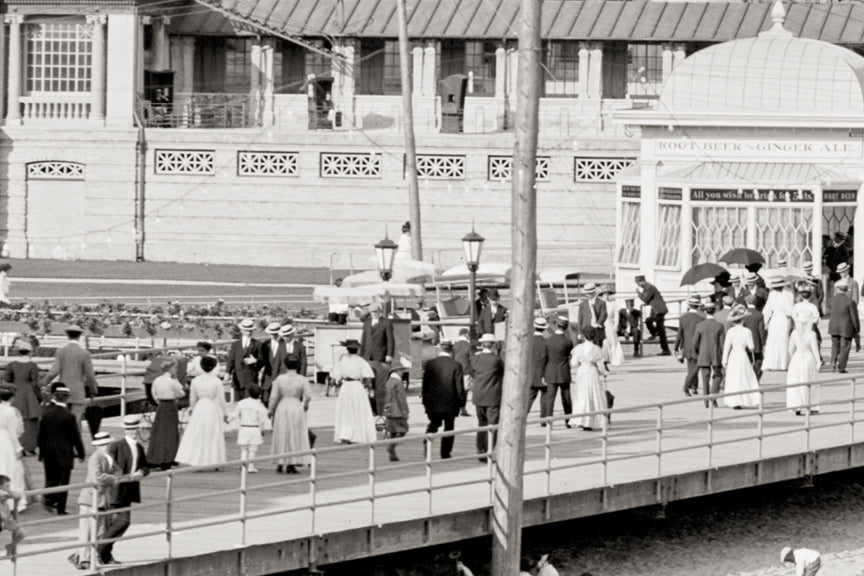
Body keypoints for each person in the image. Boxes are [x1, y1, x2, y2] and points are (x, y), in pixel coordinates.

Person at [99, 415, 148, 566]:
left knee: (120, 523)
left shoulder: (139, 447)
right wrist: (122, 477)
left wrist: (141, 472)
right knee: (122, 522)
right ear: (125, 430)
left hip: (129, 490)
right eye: (130, 429)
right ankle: (99, 549)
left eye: (135, 429)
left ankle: (104, 553)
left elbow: (145, 466)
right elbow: (109, 466)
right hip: (116, 489)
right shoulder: (116, 446)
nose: (133, 431)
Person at [69, 431, 118, 570]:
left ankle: (81, 556)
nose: (106, 446)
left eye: (107, 444)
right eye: (104, 444)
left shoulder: (109, 457)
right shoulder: (95, 458)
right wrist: (113, 478)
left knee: (99, 530)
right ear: (99, 445)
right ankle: (83, 559)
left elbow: (117, 470)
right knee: (87, 531)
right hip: (90, 499)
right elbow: (96, 477)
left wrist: (117, 476)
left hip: (102, 499)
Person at [37, 383, 84, 515]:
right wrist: (81, 452)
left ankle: (49, 499)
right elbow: (75, 437)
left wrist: (41, 452)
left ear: (55, 397)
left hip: (48, 451)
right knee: (64, 481)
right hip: (65, 452)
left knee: (51, 477)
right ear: (67, 398)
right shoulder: (69, 416)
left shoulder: (46, 413)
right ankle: (61, 507)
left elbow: (41, 435)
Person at [175, 356, 227, 467]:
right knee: (212, 433)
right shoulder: (217, 381)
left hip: (200, 406)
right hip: (211, 407)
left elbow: (192, 398)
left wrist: (192, 407)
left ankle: (196, 459)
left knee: (197, 432)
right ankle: (213, 459)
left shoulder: (195, 380)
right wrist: (225, 412)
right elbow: (222, 399)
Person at [41, 325, 98, 422]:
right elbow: (90, 375)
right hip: (78, 391)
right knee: (75, 421)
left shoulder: (61, 351)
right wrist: (94, 390)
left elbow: (54, 371)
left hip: (62, 391)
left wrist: (43, 383)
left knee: (61, 420)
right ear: (79, 336)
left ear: (67, 336)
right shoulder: (84, 353)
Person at [421, 340, 464, 460]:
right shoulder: (456, 365)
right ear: (451, 350)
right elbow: (459, 386)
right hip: (450, 402)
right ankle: (445, 453)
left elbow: (425, 384)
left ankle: (427, 441)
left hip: (433, 402)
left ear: (439, 349)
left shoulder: (430, 364)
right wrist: (462, 403)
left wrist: (424, 400)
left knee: (434, 423)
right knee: (449, 427)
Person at [269, 355, 312, 473]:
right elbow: (308, 395)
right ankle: (291, 463)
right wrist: (306, 405)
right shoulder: (302, 379)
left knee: (282, 432)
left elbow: (273, 397)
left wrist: (270, 410)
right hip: (296, 405)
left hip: (283, 405)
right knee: (295, 433)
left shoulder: (279, 379)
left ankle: (280, 461)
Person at [331, 339, 377, 445]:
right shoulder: (361, 361)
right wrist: (369, 388)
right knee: (358, 409)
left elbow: (336, 377)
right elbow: (368, 377)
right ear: (357, 350)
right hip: (357, 387)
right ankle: (357, 434)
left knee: (346, 412)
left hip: (346, 387)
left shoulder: (342, 361)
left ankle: (345, 435)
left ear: (347, 350)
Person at [146, 359, 186, 470]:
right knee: (171, 432)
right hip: (170, 406)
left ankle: (156, 457)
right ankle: (168, 457)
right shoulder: (172, 382)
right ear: (170, 369)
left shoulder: (157, 380)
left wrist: (159, 401)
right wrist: (177, 380)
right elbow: (181, 393)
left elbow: (154, 394)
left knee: (159, 431)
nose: (176, 369)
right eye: (175, 368)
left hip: (161, 406)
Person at [4, 339, 41, 453]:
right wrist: (39, 396)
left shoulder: (12, 365)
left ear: (18, 352)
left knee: (15, 420)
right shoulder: (32, 365)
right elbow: (35, 383)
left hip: (16, 393)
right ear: (29, 352)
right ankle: (29, 446)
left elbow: (6, 380)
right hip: (29, 394)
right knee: (30, 422)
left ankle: (16, 444)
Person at [721, 306, 760, 409]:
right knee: (744, 377)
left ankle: (734, 400)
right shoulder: (747, 331)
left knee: (733, 377)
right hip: (742, 354)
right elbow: (751, 346)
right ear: (743, 319)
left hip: (733, 354)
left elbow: (726, 347)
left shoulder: (730, 331)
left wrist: (724, 359)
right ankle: (744, 399)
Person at [570, 327, 608, 431]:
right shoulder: (596, 349)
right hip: (592, 372)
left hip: (582, 372)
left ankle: (581, 419)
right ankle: (593, 420)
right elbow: (601, 367)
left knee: (581, 395)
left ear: (583, 335)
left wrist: (579, 363)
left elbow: (573, 364)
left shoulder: (578, 348)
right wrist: (604, 373)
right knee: (593, 395)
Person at [472, 334, 503, 460]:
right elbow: (503, 372)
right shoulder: (496, 360)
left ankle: (480, 449)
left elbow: (473, 373)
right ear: (493, 345)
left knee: (481, 423)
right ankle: (489, 450)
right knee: (493, 425)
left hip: (478, 395)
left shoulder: (475, 359)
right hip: (492, 396)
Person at [787, 308, 822, 416]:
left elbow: (789, 349)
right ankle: (811, 405)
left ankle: (796, 405)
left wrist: (793, 358)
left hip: (797, 358)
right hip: (808, 357)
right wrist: (818, 361)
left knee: (796, 381)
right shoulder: (811, 334)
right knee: (810, 381)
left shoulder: (794, 333)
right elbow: (815, 349)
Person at [229, 386, 269, 474]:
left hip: (244, 427)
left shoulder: (242, 403)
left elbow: (235, 414)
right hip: (254, 428)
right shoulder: (259, 406)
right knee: (253, 449)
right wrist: (263, 429)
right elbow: (261, 419)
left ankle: (243, 465)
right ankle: (251, 466)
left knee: (243, 448)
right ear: (259, 395)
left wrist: (228, 420)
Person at [543, 316, 573, 427]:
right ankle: (568, 420)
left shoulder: (548, 341)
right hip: (564, 372)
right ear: (566, 327)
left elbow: (545, 357)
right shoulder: (568, 341)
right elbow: (569, 355)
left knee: (550, 398)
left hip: (550, 371)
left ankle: (548, 421)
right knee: (566, 398)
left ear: (556, 325)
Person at [693, 302, 724, 407]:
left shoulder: (700, 325)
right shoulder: (719, 326)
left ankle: (706, 400)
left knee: (705, 377)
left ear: (705, 311)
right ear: (715, 311)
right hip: (716, 354)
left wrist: (698, 352)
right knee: (718, 375)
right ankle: (713, 394)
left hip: (703, 354)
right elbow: (722, 343)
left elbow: (695, 343)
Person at [0, 387, 25, 511]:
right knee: (12, 468)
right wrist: (18, 448)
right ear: (12, 398)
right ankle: (13, 501)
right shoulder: (12, 411)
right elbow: (13, 432)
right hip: (7, 442)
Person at [675, 296, 704, 396]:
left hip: (686, 346)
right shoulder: (701, 318)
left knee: (690, 367)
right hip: (698, 346)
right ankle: (688, 386)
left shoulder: (683, 318)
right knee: (695, 367)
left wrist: (676, 347)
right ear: (698, 306)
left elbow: (679, 334)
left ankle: (693, 386)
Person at [225, 318, 260, 401]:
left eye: (250, 330)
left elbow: (262, 360)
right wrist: (227, 372)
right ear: (242, 331)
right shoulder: (235, 345)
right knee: (237, 402)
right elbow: (231, 360)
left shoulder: (257, 344)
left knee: (249, 403)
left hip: (250, 378)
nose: (249, 332)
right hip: (238, 378)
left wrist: (256, 361)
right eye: (246, 330)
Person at [762, 278, 794, 371]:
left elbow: (767, 309)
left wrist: (766, 321)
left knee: (772, 341)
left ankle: (771, 363)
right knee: (783, 340)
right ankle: (783, 364)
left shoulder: (772, 295)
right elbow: (790, 310)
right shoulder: (788, 294)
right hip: (783, 318)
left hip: (774, 319)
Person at [828, 281, 859, 374]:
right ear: (846, 289)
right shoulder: (850, 301)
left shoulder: (831, 300)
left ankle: (833, 362)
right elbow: (854, 317)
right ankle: (841, 367)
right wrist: (857, 329)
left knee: (835, 345)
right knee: (844, 347)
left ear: (837, 289)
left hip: (833, 327)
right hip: (846, 328)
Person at [636, 275, 670, 355]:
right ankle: (665, 349)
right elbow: (647, 300)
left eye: (638, 283)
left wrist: (638, 293)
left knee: (649, 322)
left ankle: (655, 334)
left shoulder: (649, 287)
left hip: (659, 310)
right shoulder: (648, 288)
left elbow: (645, 299)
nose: (638, 285)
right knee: (660, 330)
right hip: (657, 310)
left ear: (642, 281)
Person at [383, 366, 410, 462]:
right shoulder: (398, 382)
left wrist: (386, 412)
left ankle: (392, 453)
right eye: (401, 370)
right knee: (403, 429)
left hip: (390, 409)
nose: (402, 372)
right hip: (397, 410)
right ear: (397, 371)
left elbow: (386, 398)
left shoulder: (389, 381)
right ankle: (391, 447)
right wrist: (405, 411)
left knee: (393, 431)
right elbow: (401, 399)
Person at [257, 322, 286, 404]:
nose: (273, 336)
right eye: (271, 334)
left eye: (275, 334)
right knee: (265, 400)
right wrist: (255, 362)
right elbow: (261, 360)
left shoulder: (285, 344)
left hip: (281, 377)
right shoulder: (265, 345)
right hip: (268, 378)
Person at [836, 262, 860, 351]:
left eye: (843, 271)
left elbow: (855, 298)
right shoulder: (837, 283)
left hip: (850, 310)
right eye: (840, 272)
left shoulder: (853, 283)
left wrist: (850, 308)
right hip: (840, 312)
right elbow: (836, 298)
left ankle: (857, 341)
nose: (842, 273)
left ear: (847, 271)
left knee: (854, 327)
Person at [527, 318, 549, 416]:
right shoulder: (547, 342)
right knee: (545, 397)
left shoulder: (528, 341)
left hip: (531, 374)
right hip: (544, 373)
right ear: (544, 329)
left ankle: (523, 415)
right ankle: (544, 419)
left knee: (529, 397)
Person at [742, 295, 767, 381]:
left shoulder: (743, 313)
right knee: (758, 361)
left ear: (747, 302)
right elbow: (761, 331)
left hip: (744, 342)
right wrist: (763, 343)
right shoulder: (759, 314)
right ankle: (756, 378)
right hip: (756, 342)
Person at [0, 475, 24, 556]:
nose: (8, 487)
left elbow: (17, 495)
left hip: (6, 519)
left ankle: (10, 546)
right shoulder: (2, 493)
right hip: (2, 519)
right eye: (6, 486)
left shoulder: (5, 493)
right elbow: (15, 495)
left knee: (22, 533)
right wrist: (11, 492)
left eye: (9, 485)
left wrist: (9, 491)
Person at [577, 283, 606, 347]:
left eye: (589, 293)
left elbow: (603, 315)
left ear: (593, 292)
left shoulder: (601, 303)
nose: (587, 294)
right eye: (586, 293)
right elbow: (580, 319)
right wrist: (579, 333)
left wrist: (598, 323)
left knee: (598, 349)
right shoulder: (582, 304)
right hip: (585, 332)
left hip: (598, 332)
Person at [601, 288, 624, 366]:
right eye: (604, 294)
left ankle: (613, 358)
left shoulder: (613, 304)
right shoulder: (599, 304)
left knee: (612, 341)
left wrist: (616, 325)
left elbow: (617, 316)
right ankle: (604, 358)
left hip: (609, 324)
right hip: (602, 325)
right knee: (604, 342)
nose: (606, 296)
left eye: (607, 294)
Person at [452, 328, 473, 417]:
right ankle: (463, 408)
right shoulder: (468, 345)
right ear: (465, 334)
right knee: (465, 390)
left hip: (456, 370)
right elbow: (471, 358)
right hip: (466, 370)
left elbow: (452, 357)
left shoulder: (454, 345)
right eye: (468, 334)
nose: (469, 336)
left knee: (456, 389)